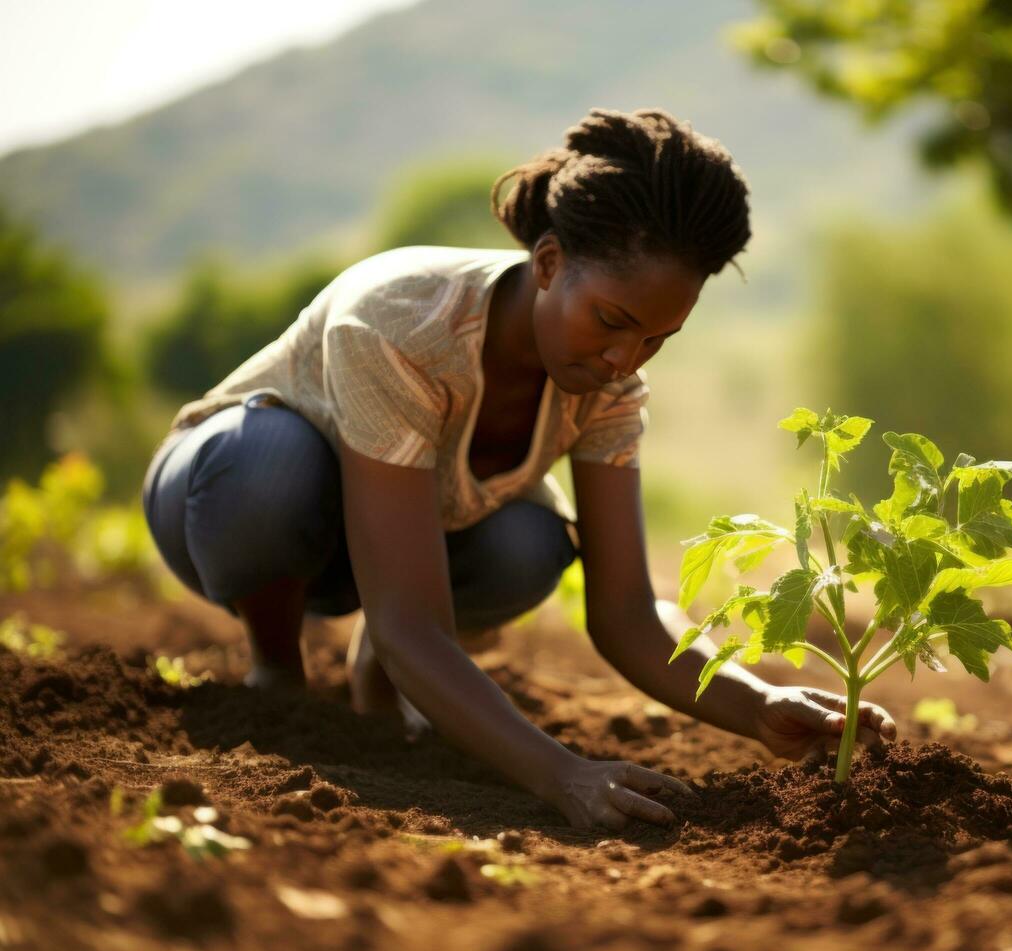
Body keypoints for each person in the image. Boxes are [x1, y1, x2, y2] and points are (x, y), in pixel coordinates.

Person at [140, 107, 896, 831]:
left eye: (656, 339)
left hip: (398, 547)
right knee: (269, 467)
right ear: (547, 262)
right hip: (226, 501)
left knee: (531, 544)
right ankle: (277, 671)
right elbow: (411, 616)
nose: (622, 360)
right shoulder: (400, 321)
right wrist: (558, 771)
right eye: (610, 322)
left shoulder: (608, 391)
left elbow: (628, 611)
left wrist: (755, 704)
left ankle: (386, 673)